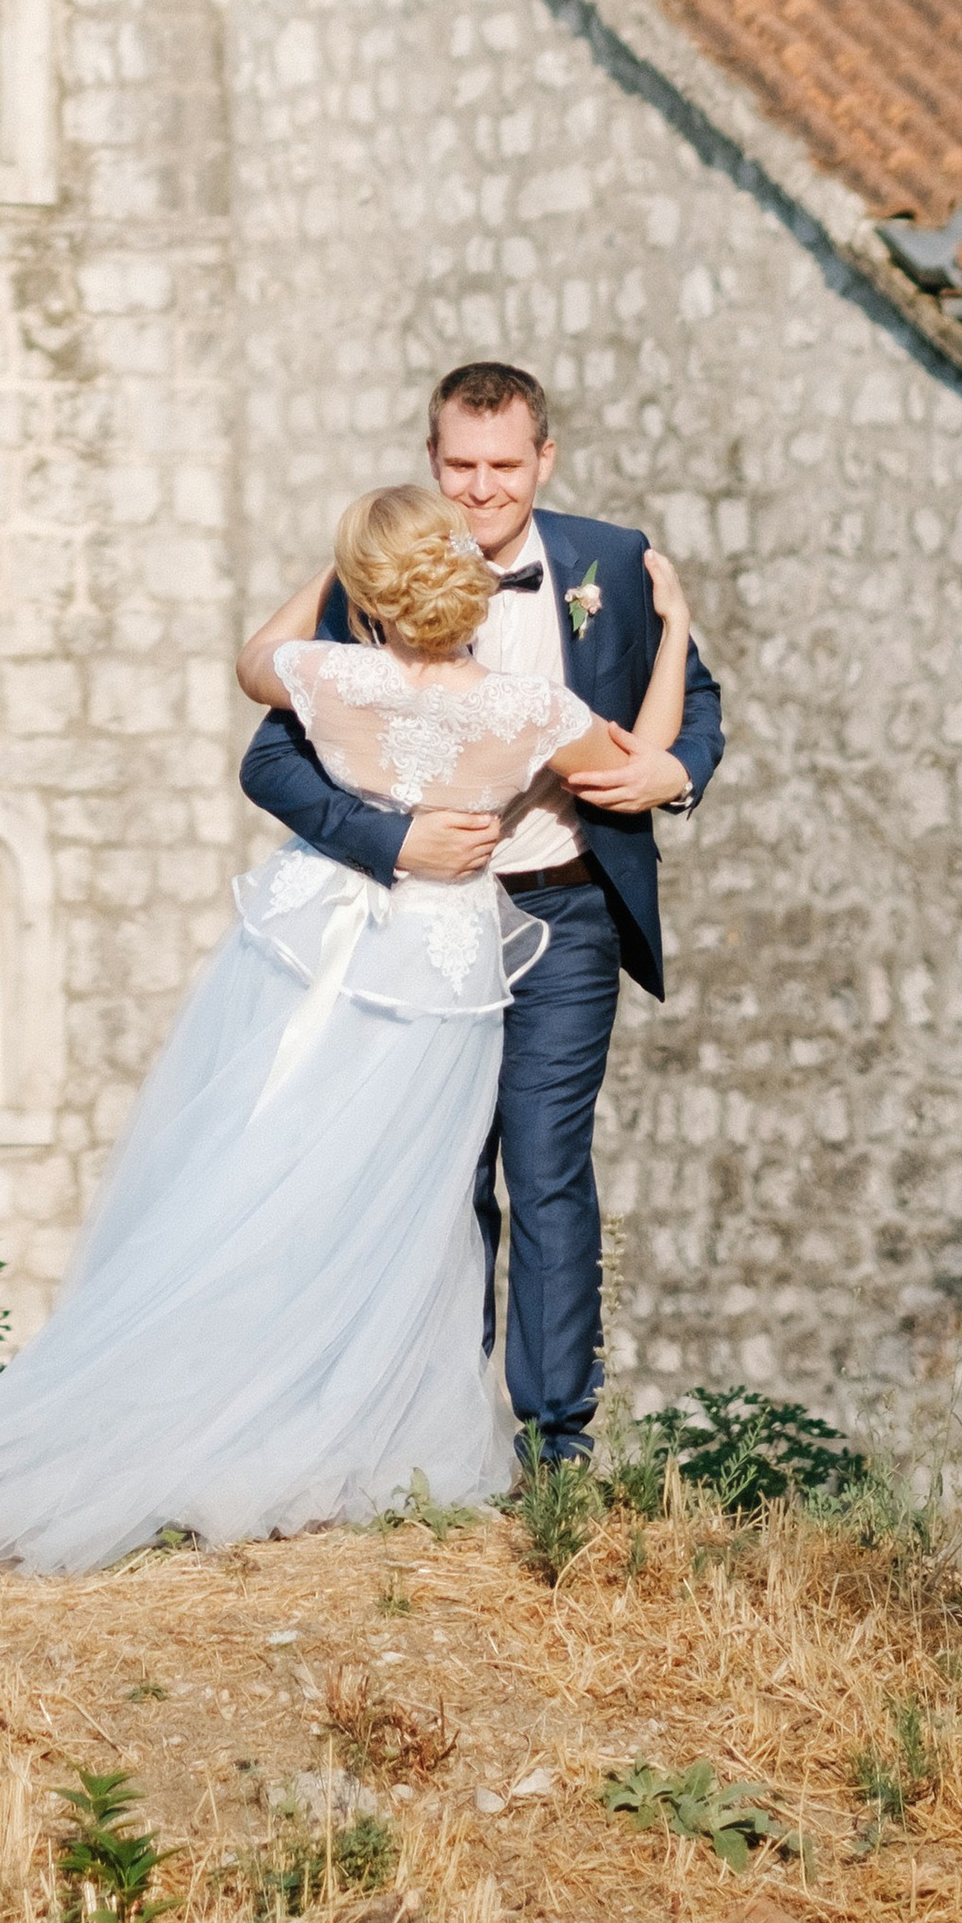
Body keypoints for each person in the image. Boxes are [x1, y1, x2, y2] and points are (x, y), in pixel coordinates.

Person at [0, 483, 694, 1571]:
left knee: (270, 1169)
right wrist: (675, 628)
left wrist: (341, 569)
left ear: (369, 594)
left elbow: (254, 655)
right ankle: (357, 1432)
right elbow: (637, 772)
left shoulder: (334, 673)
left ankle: (231, 1408)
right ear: (458, 582)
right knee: (404, 1205)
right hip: (442, 967)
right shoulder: (529, 713)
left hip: (313, 946)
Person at [239, 358, 724, 1472]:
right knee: (436, 1169)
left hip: (564, 915)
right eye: (459, 464)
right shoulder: (372, 572)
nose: (481, 487)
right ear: (430, 460)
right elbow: (271, 755)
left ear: (543, 461)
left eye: (504, 465)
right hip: (421, 917)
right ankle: (435, 1431)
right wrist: (389, 839)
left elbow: (691, 702)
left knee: (546, 1167)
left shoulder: (607, 560)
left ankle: (557, 1439)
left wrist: (674, 776)